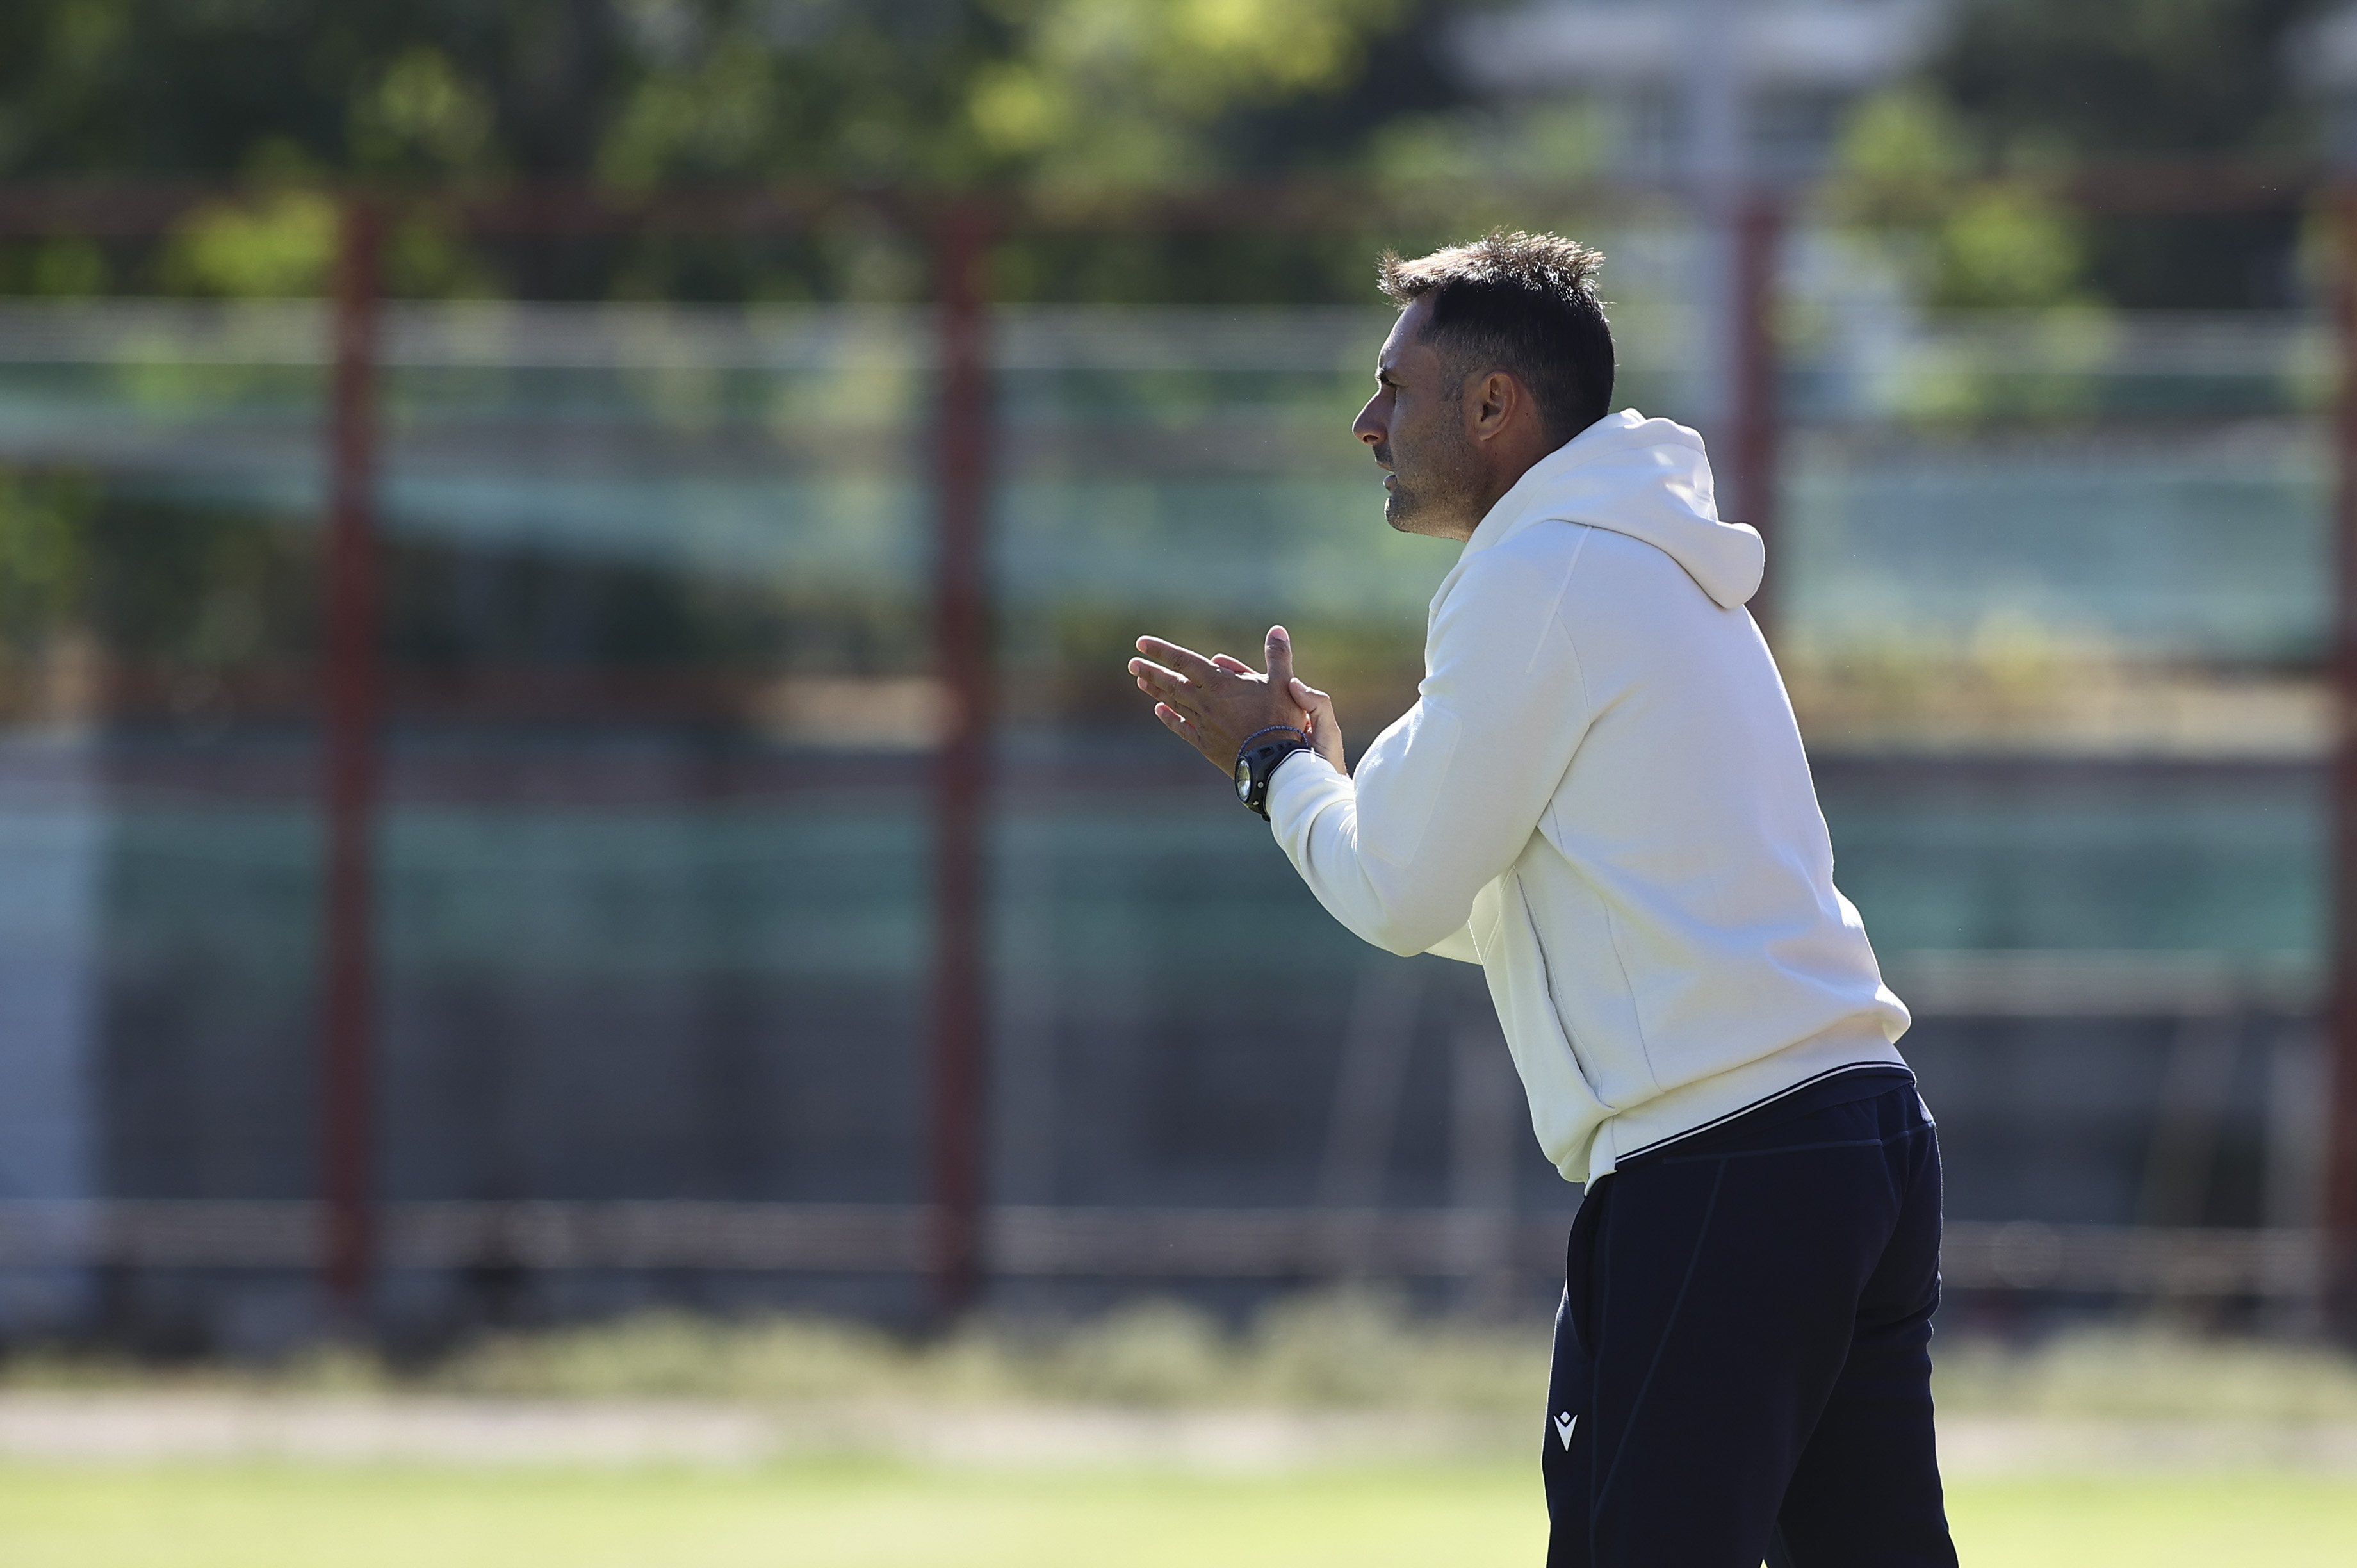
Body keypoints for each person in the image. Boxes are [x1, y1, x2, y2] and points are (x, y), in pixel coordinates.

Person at [1125, 231, 1957, 1568]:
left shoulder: (1538, 573)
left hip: (1723, 1158)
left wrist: (1275, 770)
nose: (1368, 423)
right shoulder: (1633, 555)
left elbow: (1395, 892)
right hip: (1855, 1136)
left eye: (1396, 388)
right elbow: (1483, 886)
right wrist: (1324, 784)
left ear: (1494, 406)